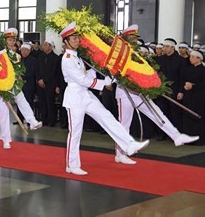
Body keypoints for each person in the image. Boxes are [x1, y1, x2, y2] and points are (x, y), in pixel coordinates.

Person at [60, 22, 150, 175]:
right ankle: (72, 164)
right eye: (73, 38)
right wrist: (104, 82)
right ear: (66, 42)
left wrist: (101, 72)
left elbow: (86, 75)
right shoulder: (67, 59)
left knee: (107, 117)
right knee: (75, 132)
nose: (76, 41)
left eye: (77, 38)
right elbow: (81, 80)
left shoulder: (77, 57)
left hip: (85, 94)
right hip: (75, 97)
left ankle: (128, 144)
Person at [115, 25, 199, 164]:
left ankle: (176, 136)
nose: (135, 41)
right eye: (132, 38)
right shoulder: (121, 54)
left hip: (140, 92)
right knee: (124, 123)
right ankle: (120, 153)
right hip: (125, 93)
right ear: (126, 39)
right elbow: (119, 74)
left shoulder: (136, 54)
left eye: (135, 38)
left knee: (157, 113)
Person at [0, 29, 42, 149]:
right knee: (3, 112)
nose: (12, 42)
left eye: (14, 40)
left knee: (22, 100)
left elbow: (18, 69)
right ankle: (6, 139)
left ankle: (32, 121)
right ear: (5, 40)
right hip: (1, 84)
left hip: (14, 82)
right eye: (10, 40)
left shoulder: (17, 56)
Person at [155, 38, 187, 135]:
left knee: (175, 113)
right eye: (164, 46)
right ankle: (161, 134)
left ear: (173, 47)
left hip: (175, 90)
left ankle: (175, 134)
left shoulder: (181, 60)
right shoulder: (159, 59)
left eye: (167, 46)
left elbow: (182, 76)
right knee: (161, 112)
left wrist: (181, 91)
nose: (164, 48)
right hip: (161, 91)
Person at [179, 50, 205, 145]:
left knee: (198, 116)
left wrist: (193, 86)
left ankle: (199, 140)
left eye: (193, 57)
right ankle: (188, 138)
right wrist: (183, 89)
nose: (190, 59)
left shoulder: (203, 69)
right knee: (187, 116)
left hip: (199, 97)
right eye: (190, 57)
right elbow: (183, 79)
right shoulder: (188, 69)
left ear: (199, 59)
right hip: (188, 96)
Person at [36, 39, 61, 127]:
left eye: (46, 45)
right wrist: (39, 79)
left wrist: (44, 80)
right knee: (42, 102)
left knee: (50, 102)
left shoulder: (56, 58)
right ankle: (44, 119)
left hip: (50, 84)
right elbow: (37, 69)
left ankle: (51, 120)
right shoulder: (40, 56)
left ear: (51, 46)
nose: (44, 46)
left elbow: (54, 72)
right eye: (44, 44)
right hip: (40, 83)